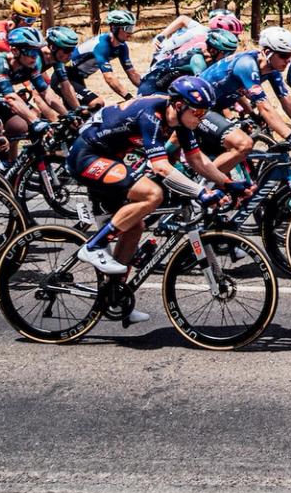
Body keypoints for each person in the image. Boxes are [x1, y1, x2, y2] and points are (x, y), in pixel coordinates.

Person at [64, 78, 247, 323]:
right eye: (198, 112)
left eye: (205, 112)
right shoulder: (151, 114)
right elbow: (160, 167)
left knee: (135, 226)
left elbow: (197, 160)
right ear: (179, 105)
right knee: (152, 194)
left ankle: (115, 296)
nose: (202, 118)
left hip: (110, 158)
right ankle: (94, 247)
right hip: (86, 156)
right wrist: (201, 193)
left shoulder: (181, 121)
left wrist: (227, 183)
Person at [192, 27, 291, 174]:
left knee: (229, 155)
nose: (288, 61)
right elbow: (265, 108)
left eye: (290, 55)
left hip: (215, 108)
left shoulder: (272, 70)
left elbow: (288, 101)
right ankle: (204, 184)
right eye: (284, 55)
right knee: (243, 145)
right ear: (267, 53)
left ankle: (216, 180)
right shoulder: (247, 65)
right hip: (197, 108)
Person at [136, 26, 237, 97]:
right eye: (227, 54)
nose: (227, 58)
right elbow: (205, 88)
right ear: (214, 51)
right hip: (151, 89)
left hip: (163, 87)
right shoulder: (198, 61)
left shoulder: (207, 57)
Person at [66, 10, 142, 104]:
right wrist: (129, 97)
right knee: (97, 104)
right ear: (114, 28)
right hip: (64, 78)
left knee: (86, 109)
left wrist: (148, 89)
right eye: (128, 28)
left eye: (132, 28)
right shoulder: (102, 46)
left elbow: (132, 74)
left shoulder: (122, 47)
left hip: (77, 79)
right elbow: (109, 77)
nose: (131, 33)